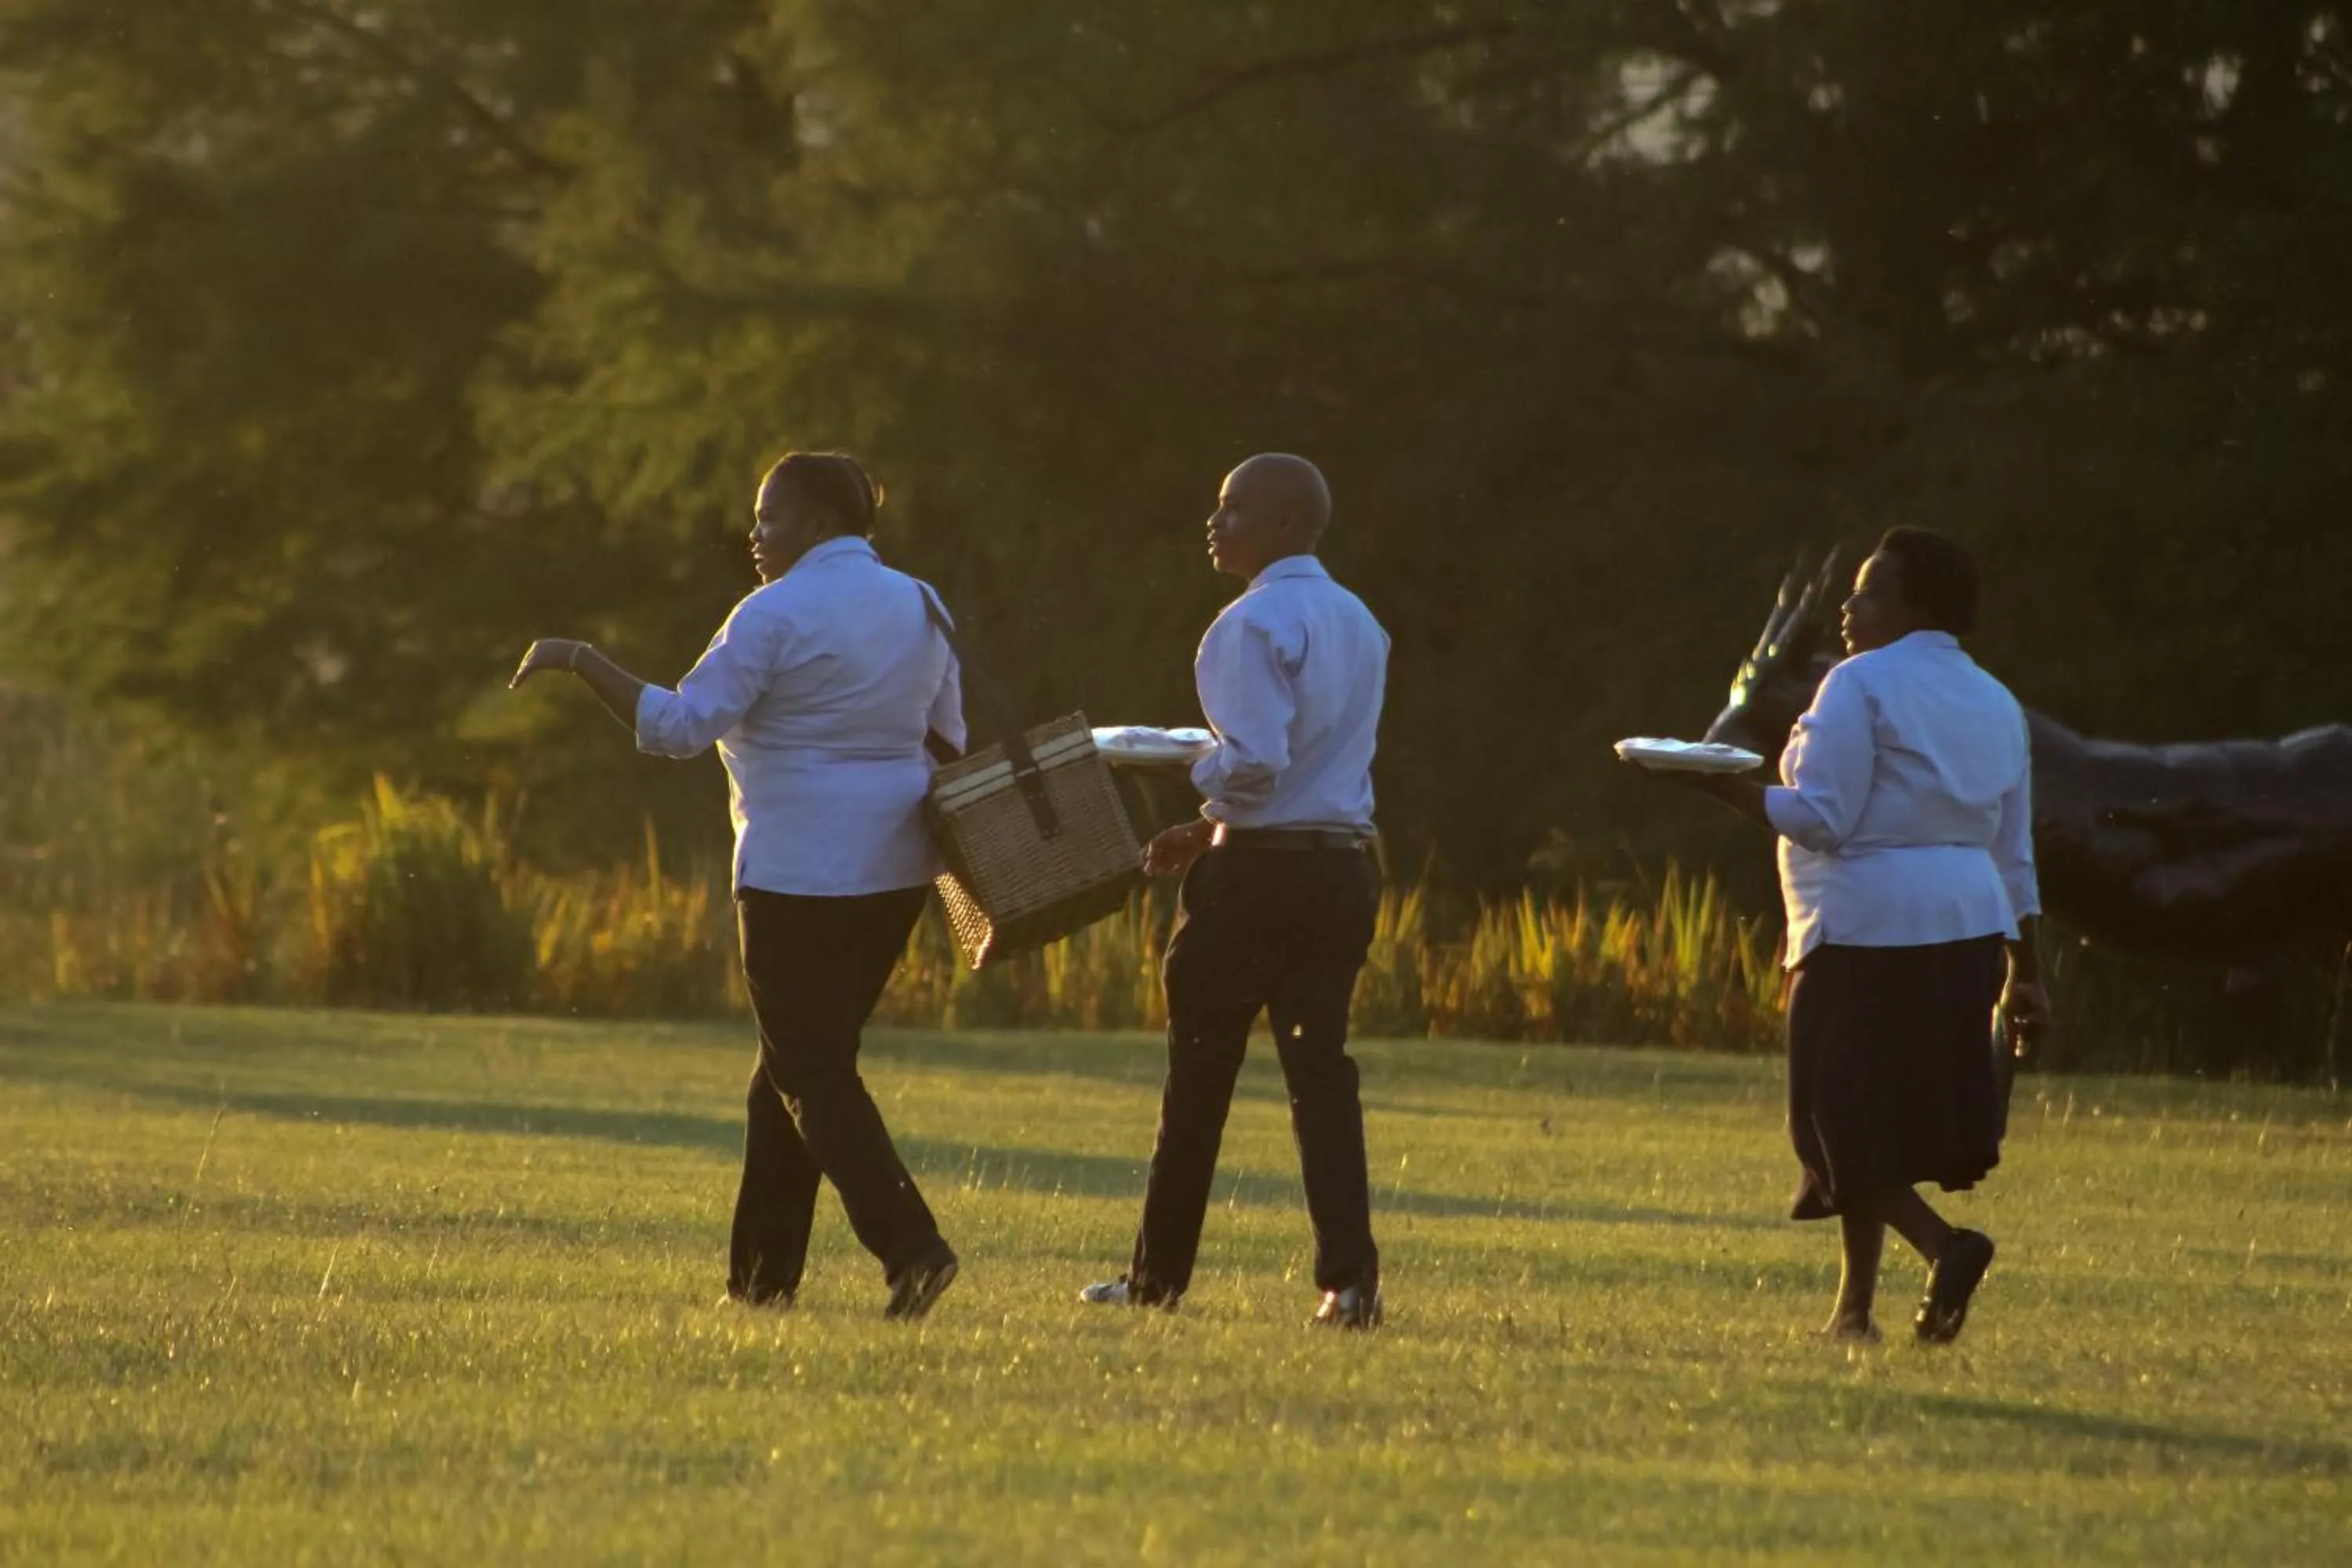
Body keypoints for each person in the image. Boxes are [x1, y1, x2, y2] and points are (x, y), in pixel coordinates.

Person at [508, 452, 964, 1321]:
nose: (756, 536)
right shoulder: (922, 602)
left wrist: (578, 658)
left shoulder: (774, 610)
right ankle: (760, 1284)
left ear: (822, 524)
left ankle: (913, 1247)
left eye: (770, 517)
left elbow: (679, 727)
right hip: (897, 869)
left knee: (810, 1071)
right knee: (788, 1073)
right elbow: (948, 734)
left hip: (797, 871)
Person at [1644, 527, 2050, 1345]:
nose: (1848, 605)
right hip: (1967, 930)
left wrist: (1713, 784)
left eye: (1868, 590)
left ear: (1916, 607)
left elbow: (1823, 818)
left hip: (1867, 930)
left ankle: (1946, 1246)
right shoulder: (1995, 700)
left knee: (1834, 1122)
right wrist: (2025, 970)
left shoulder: (1857, 685)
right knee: (1878, 1124)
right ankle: (1853, 1310)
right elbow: (2014, 849)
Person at [1080, 453, 1391, 1329]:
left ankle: (1157, 1279)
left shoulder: (1246, 625)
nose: (1216, 522)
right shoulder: (1360, 619)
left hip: (1259, 880)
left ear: (1287, 524)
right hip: (1339, 868)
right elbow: (1313, 769)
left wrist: (1191, 764)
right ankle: (1350, 1280)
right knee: (1320, 1074)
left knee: (1200, 1075)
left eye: (1236, 508)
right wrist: (1213, 824)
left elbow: (1253, 764)